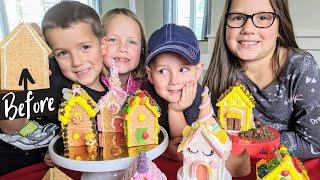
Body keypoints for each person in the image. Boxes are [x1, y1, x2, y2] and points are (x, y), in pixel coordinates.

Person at [0, 1, 108, 176]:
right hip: (11, 163)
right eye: (63, 53)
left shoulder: (108, 99)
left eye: (85, 47)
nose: (77, 62)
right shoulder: (49, 74)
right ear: (51, 54)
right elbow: (11, 126)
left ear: (103, 45)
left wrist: (59, 150)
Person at [203, 0, 320, 160]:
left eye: (263, 18)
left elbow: (313, 143)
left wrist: (252, 139)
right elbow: (208, 126)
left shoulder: (301, 68)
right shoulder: (222, 70)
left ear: (281, 26)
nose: (248, 29)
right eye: (237, 17)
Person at [143, 23, 204, 161]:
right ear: (150, 75)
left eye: (183, 69)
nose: (174, 81)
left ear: (198, 71)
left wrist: (175, 110)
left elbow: (186, 146)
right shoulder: (143, 98)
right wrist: (164, 151)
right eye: (163, 71)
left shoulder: (199, 97)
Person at [100, 8, 147, 94]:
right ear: (99, 44)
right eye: (113, 40)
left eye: (132, 42)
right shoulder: (87, 88)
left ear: (142, 49)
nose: (123, 48)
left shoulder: (148, 90)